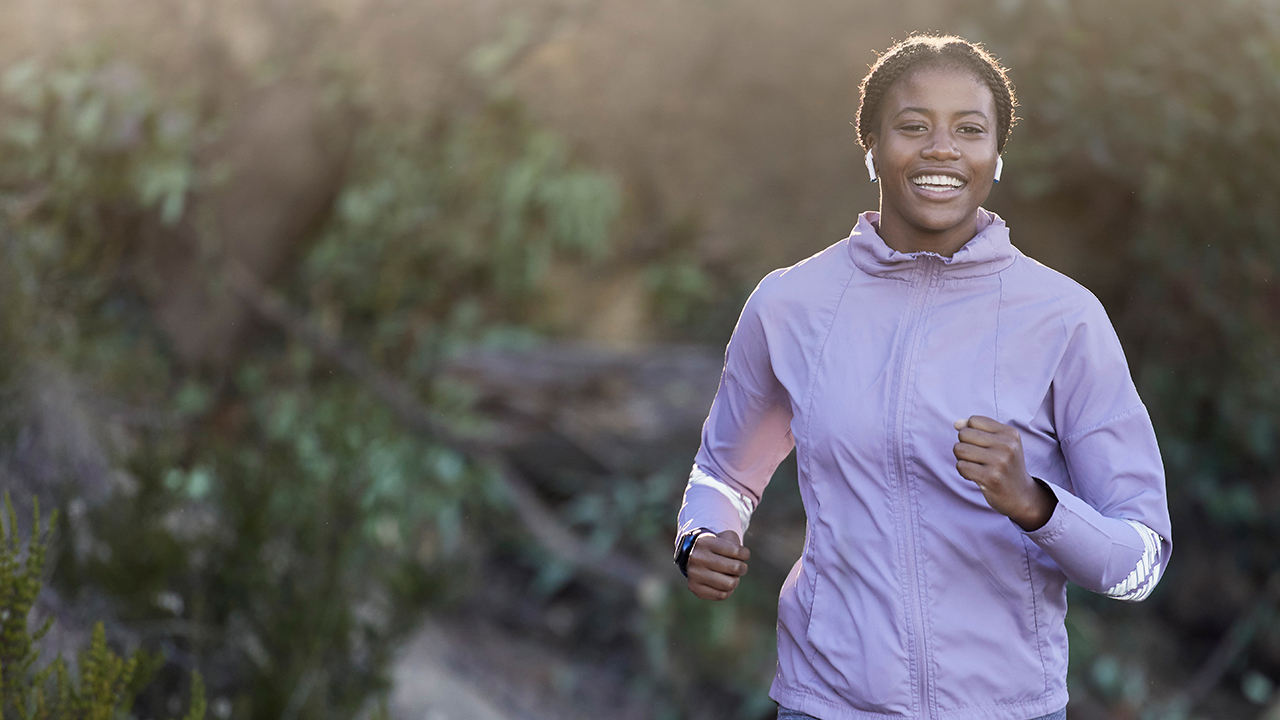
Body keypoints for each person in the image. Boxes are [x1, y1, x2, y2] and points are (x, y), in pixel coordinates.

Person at [671, 34, 1172, 720]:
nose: (942, 149)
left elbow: (1139, 565)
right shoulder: (790, 305)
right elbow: (723, 476)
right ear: (871, 144)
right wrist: (700, 539)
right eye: (914, 127)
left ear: (997, 157)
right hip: (827, 705)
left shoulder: (1064, 319)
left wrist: (1034, 503)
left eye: (970, 130)